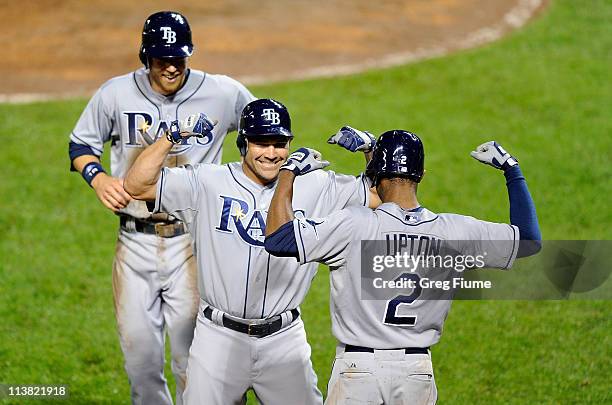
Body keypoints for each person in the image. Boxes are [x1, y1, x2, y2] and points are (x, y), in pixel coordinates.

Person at [123, 98, 380, 404]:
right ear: (243, 144)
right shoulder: (206, 182)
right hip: (217, 340)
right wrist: (172, 136)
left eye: (279, 143)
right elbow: (137, 186)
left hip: (284, 340)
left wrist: (371, 150)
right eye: (261, 143)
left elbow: (379, 195)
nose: (272, 153)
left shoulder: (317, 185)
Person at [264, 131, 542, 404]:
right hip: (415, 373)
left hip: (358, 372)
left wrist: (289, 173)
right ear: (421, 175)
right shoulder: (454, 231)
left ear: (375, 176)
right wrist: (511, 169)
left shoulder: (354, 225)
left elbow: (278, 240)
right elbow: (529, 240)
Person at [68, 11, 255, 405]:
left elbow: (262, 134)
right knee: (140, 363)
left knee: (197, 360)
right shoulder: (115, 93)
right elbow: (81, 146)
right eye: (160, 58)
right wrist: (99, 179)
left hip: (195, 243)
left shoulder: (222, 92)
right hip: (133, 243)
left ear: (191, 53)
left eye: (178, 57)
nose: (170, 66)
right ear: (144, 55)